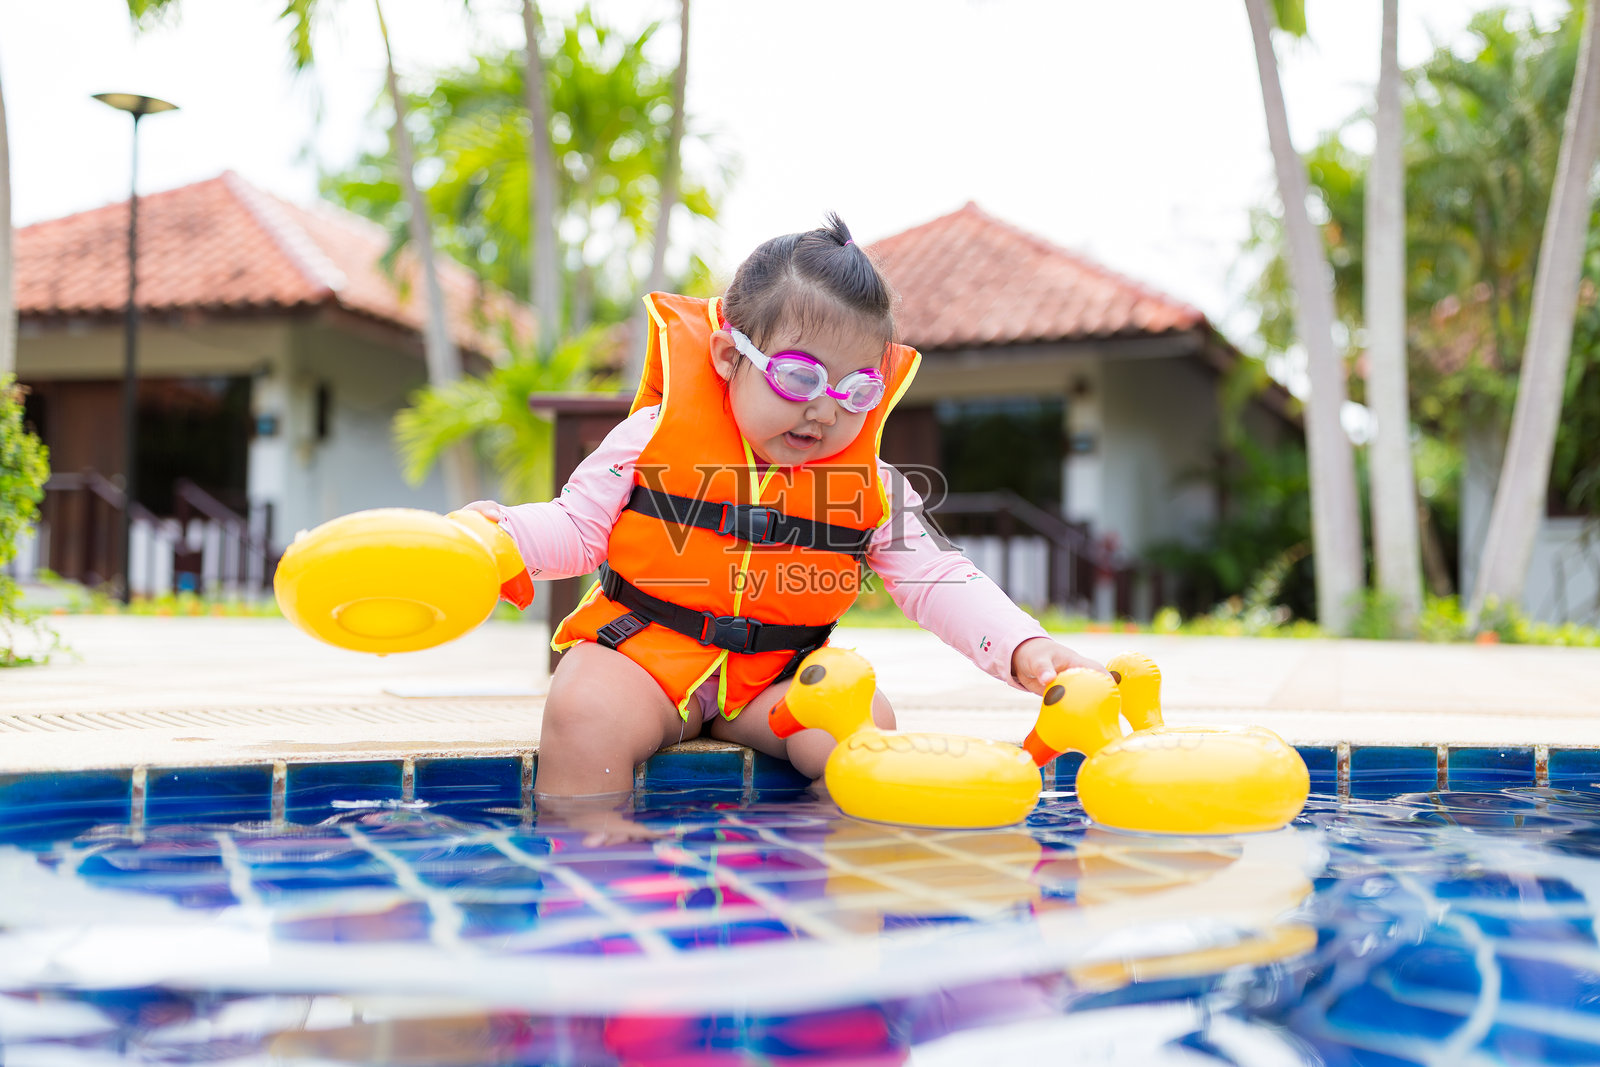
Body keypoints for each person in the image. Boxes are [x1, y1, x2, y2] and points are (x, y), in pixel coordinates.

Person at [467, 214, 1104, 812]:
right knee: (584, 707)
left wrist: (1024, 646)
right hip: (646, 658)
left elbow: (937, 575)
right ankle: (592, 857)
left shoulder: (872, 484)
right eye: (799, 379)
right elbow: (576, 528)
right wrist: (497, 540)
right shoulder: (652, 437)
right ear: (726, 356)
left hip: (775, 679)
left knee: (859, 723)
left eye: (856, 391)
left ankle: (826, 872)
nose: (825, 411)